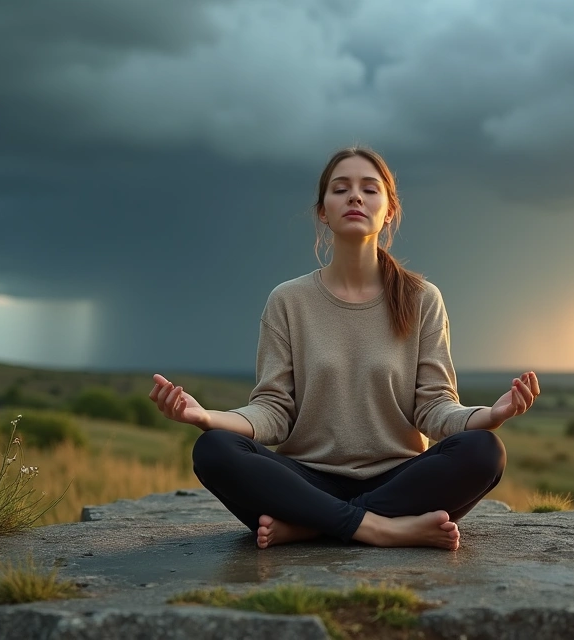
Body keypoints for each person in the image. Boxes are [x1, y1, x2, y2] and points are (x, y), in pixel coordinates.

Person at [149, 146, 539, 551]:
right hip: (305, 479)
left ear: (389, 210)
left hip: (397, 479)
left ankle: (312, 526)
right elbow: (273, 412)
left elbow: (433, 407)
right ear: (323, 211)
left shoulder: (422, 298)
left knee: (484, 451)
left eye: (370, 189)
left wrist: (490, 415)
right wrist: (205, 416)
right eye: (341, 189)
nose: (355, 197)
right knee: (213, 449)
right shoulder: (288, 301)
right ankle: (382, 530)